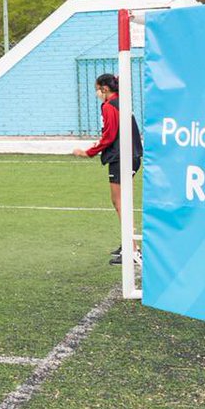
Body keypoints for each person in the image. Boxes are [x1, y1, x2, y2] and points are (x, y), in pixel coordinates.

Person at [73, 73, 143, 266]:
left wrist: (88, 152)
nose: (96, 93)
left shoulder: (110, 105)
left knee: (119, 201)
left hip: (123, 158)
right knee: (121, 200)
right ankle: (129, 244)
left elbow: (110, 136)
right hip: (131, 155)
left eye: (97, 88)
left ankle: (133, 250)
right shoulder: (121, 102)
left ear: (104, 89)